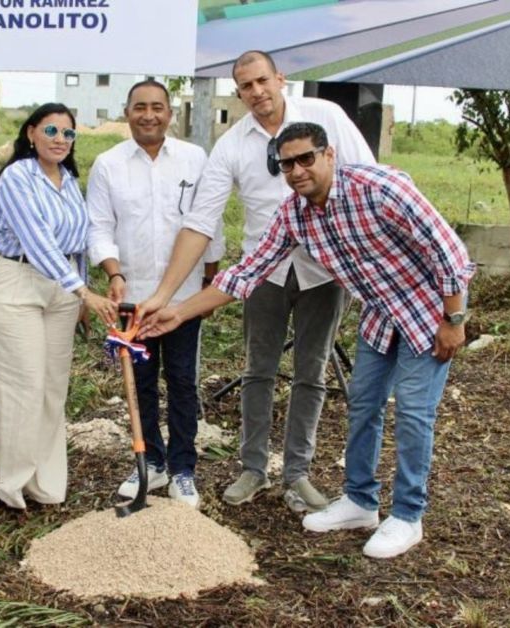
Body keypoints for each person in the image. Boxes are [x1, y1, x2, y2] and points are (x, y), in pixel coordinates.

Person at [140, 122, 476, 559]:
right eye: (287, 164)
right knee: (363, 405)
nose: (297, 171)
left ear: (328, 155)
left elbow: (449, 252)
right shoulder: (294, 214)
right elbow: (246, 274)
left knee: (413, 413)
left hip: (428, 314)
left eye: (306, 159)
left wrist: (454, 318)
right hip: (380, 316)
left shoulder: (381, 187)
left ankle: (409, 516)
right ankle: (360, 501)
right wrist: (177, 313)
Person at [137, 50, 375, 513]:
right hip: (262, 270)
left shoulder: (326, 117)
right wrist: (165, 296)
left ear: (280, 78)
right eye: (245, 86)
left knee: (313, 371)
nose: (256, 92)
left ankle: (298, 474)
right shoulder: (232, 144)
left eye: (262, 81)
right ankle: (252, 468)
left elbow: (367, 179)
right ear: (239, 92)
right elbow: (201, 221)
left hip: (325, 270)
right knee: (257, 369)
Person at [87, 80, 224, 508]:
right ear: (127, 112)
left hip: (182, 300)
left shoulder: (194, 158)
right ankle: (152, 464)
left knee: (183, 381)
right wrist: (113, 271)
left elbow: (209, 222)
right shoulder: (108, 165)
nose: (149, 115)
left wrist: (210, 280)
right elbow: (100, 226)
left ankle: (183, 469)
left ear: (170, 113)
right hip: (131, 299)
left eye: (158, 107)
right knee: (140, 384)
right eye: (140, 107)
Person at [0, 103, 118, 509]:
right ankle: (12, 484)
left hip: (61, 293)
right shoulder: (17, 176)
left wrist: (80, 293)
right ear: (31, 134)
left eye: (68, 133)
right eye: (52, 130)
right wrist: (85, 294)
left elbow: (77, 242)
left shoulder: (71, 179)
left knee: (53, 388)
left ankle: (46, 483)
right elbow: (37, 240)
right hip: (17, 285)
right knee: (22, 387)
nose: (60, 139)